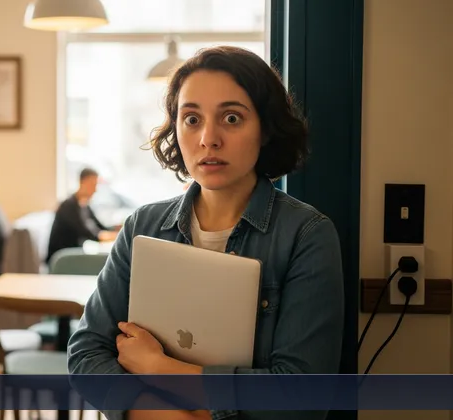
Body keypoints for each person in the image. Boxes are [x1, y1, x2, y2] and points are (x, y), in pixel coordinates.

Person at [66, 46, 344, 420]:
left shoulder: (306, 236)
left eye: (231, 118)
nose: (208, 138)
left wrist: (157, 367)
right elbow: (85, 353)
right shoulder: (143, 227)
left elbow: (299, 398)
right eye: (192, 119)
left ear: (265, 128)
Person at [46, 168, 119, 263]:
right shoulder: (68, 206)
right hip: (62, 259)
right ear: (82, 182)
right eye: (92, 185)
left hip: (73, 254)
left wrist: (118, 228)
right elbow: (92, 235)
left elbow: (100, 227)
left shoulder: (84, 205)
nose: (95, 190)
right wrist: (119, 236)